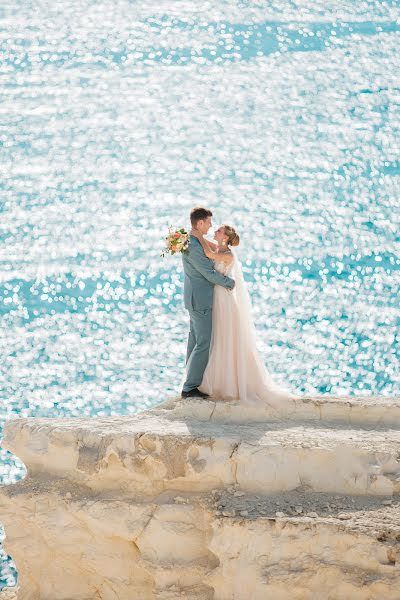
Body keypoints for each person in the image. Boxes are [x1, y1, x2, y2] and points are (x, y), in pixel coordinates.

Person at [190, 224, 293, 406]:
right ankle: (215, 380)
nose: (215, 230)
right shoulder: (219, 247)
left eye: (219, 231)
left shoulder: (226, 254)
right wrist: (192, 235)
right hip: (216, 297)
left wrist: (198, 237)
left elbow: (209, 255)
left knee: (225, 336)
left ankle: (229, 384)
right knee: (217, 337)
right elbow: (208, 245)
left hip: (224, 300)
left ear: (225, 238)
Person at [181, 207, 235, 399]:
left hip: (194, 297)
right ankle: (190, 387)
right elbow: (209, 274)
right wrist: (230, 283)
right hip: (200, 299)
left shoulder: (193, 240)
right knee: (203, 343)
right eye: (209, 222)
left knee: (195, 340)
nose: (212, 225)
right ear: (200, 223)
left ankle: (191, 381)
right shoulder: (194, 245)